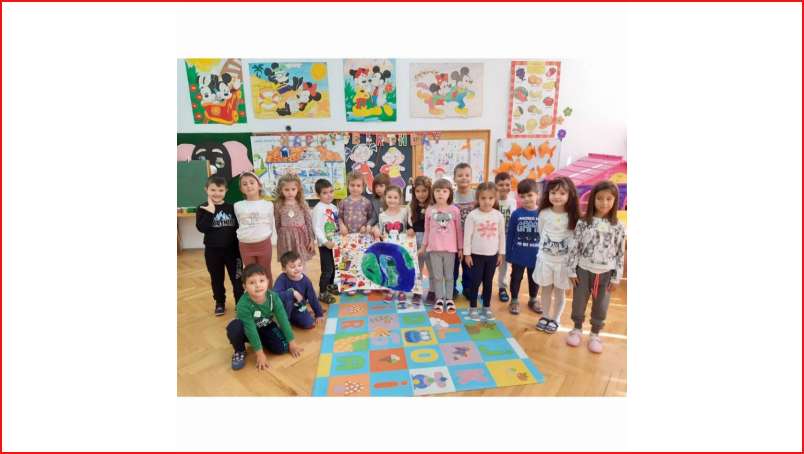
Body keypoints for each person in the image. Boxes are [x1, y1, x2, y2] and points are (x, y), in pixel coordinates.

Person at [566, 180, 626, 353]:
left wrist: (616, 277)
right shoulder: (583, 222)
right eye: (599, 198)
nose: (604, 203)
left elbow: (620, 252)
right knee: (579, 302)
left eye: (609, 199)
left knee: (601, 305)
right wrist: (571, 270)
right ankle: (576, 329)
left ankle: (595, 334)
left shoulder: (618, 226)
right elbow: (574, 246)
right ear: (593, 199)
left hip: (606, 273)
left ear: (615, 200)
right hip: (583, 270)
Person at [225, 264, 303, 371]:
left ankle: (260, 341)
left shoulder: (273, 297)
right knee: (234, 327)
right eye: (252, 282)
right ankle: (240, 350)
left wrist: (292, 342)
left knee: (282, 348)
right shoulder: (242, 305)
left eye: (261, 280)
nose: (258, 285)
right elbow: (250, 329)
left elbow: (283, 319)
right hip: (247, 329)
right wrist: (260, 354)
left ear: (267, 281)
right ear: (244, 286)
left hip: (265, 325)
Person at [533, 176, 580, 334]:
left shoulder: (572, 216)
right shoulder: (544, 213)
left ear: (570, 195)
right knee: (545, 289)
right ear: (548, 194)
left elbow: (574, 239)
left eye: (562, 193)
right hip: (545, 260)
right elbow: (541, 232)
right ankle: (545, 316)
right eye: (553, 192)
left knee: (560, 291)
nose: (557, 196)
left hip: (563, 262)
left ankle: (556, 318)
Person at [196, 175, 243, 316]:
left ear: (226, 191)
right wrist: (210, 212)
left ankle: (240, 303)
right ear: (206, 190)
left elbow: (239, 228)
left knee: (237, 278)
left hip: (233, 251)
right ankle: (220, 302)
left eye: (220, 190)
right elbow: (202, 228)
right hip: (212, 252)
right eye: (213, 190)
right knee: (216, 279)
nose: (217, 193)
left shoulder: (232, 208)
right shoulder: (202, 208)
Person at [463, 182, 505, 321]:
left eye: (490, 198)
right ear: (478, 199)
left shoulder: (498, 216)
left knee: (488, 282)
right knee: (475, 282)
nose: (487, 201)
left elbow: (501, 235)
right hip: (476, 256)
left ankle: (486, 307)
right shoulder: (472, 215)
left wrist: (500, 253)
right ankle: (473, 307)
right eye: (483, 198)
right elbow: (467, 236)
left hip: (492, 256)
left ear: (495, 199)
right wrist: (467, 254)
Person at [420, 178, 463, 314]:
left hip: (450, 250)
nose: (441, 194)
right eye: (437, 191)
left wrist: (460, 248)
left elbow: (459, 231)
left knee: (449, 276)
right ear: (433, 193)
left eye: (444, 191)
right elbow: (427, 231)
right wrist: (423, 247)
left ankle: (449, 299)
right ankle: (439, 299)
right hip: (434, 250)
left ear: (450, 193)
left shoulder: (455, 210)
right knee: (437, 276)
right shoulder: (429, 210)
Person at [373, 185, 415, 308]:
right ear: (385, 198)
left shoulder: (404, 212)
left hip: (401, 249)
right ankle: (391, 290)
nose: (392, 200)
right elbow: (381, 231)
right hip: (389, 250)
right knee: (390, 269)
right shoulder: (382, 215)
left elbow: (410, 224)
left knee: (401, 268)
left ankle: (401, 290)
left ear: (400, 199)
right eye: (389, 197)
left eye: (395, 197)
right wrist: (376, 231)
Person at [505, 178, 541, 315]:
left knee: (534, 279)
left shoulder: (542, 214)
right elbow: (510, 235)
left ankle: (533, 299)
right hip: (518, 255)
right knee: (516, 278)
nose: (526, 199)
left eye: (530, 195)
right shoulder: (516, 214)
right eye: (523, 196)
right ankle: (514, 300)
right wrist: (508, 254)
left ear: (537, 194)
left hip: (536, 256)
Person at [234, 172, 275, 287]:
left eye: (252, 182)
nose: (248, 186)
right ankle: (254, 295)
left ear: (259, 185)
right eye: (244, 184)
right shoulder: (237, 205)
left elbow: (270, 224)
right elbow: (240, 223)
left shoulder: (268, 204)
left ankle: (268, 294)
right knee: (250, 272)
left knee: (265, 271)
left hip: (263, 244)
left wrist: (263, 237)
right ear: (241, 189)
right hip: (245, 245)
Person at [273, 251, 326, 329]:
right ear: (284, 269)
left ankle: (291, 318)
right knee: (288, 300)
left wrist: (319, 314)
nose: (297, 269)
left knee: (308, 323)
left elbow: (313, 298)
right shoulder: (282, 279)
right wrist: (293, 293)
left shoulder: (306, 281)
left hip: (298, 308)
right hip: (284, 308)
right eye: (292, 267)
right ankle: (284, 322)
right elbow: (275, 295)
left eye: (299, 265)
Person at [274, 173, 316, 265]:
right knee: (287, 262)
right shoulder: (278, 205)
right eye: (286, 190)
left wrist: (311, 240)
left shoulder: (302, 204)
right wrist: (281, 238)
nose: (290, 192)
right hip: (286, 238)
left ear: (298, 189)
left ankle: (301, 274)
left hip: (301, 237)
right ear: (281, 190)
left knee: (301, 261)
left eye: (293, 189)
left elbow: (309, 222)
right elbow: (277, 223)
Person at [311, 178, 339, 304]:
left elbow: (336, 223)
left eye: (331, 192)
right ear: (318, 195)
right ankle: (322, 292)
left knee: (334, 267)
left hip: (334, 243)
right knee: (327, 269)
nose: (329, 195)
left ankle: (330, 286)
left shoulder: (333, 207)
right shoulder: (318, 208)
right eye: (325, 193)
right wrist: (324, 242)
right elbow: (316, 228)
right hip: (325, 245)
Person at [409, 176, 435, 305]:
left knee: (432, 267)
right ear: (414, 192)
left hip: (430, 239)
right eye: (418, 191)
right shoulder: (411, 206)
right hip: (416, 240)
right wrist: (410, 228)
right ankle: (417, 291)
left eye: (424, 190)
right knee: (417, 267)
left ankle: (432, 291)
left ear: (429, 190)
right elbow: (408, 222)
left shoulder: (433, 206)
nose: (421, 194)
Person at [452, 163, 476, 299]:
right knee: (453, 266)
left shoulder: (476, 195)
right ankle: (452, 288)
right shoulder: (451, 196)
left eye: (467, 175)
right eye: (460, 175)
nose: (464, 178)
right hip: (454, 238)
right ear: (454, 178)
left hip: (472, 239)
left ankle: (467, 288)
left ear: (471, 177)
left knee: (469, 266)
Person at [495, 171, 518, 303]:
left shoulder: (513, 202)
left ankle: (502, 288)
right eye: (501, 185)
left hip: (507, 238)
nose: (504, 187)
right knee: (490, 263)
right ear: (496, 186)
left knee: (504, 265)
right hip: (493, 238)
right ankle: (484, 286)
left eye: (507, 184)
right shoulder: (493, 201)